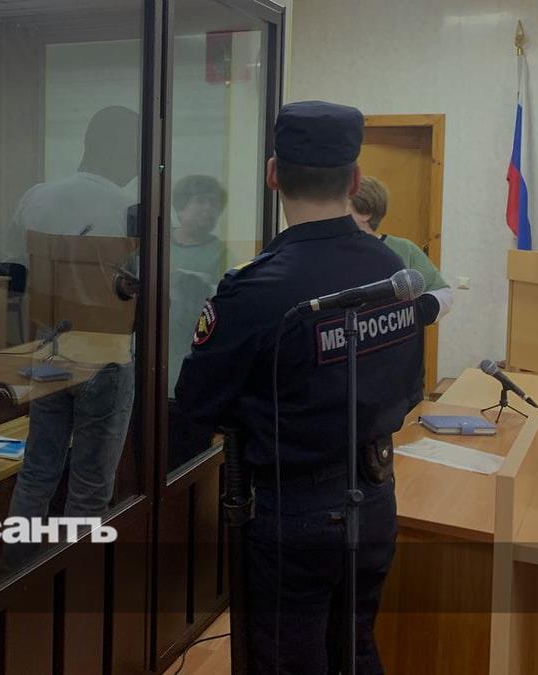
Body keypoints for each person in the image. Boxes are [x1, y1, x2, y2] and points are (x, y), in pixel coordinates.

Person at [175, 101, 439, 674]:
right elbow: (407, 389)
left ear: (274, 175)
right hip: (376, 497)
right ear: (354, 179)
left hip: (293, 510)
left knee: (286, 660)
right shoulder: (394, 274)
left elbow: (194, 407)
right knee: (355, 649)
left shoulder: (255, 289)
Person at [2, 106, 140, 572]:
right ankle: (72, 588)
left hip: (48, 348)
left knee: (38, 470)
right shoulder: (129, 209)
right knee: (90, 485)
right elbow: (139, 288)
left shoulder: (37, 196)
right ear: (124, 152)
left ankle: (15, 579)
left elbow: (13, 270)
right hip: (105, 353)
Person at [167, 175, 229, 471]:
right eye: (201, 202)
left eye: (214, 204)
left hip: (193, 363)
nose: (208, 210)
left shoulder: (221, 253)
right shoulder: (157, 244)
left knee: (189, 454)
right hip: (154, 363)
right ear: (180, 207)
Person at [349, 175, 453, 320]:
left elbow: (443, 293)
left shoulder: (404, 248)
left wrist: (410, 314)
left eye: (343, 207)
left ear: (365, 213)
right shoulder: (332, 250)